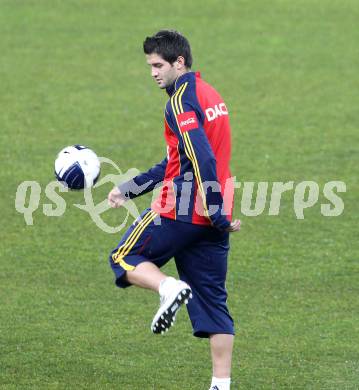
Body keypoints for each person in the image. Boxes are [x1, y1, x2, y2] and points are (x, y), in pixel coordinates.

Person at [108, 30, 240, 390]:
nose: (153, 72)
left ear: (179, 62)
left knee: (123, 257)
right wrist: (130, 188)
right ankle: (221, 385)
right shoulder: (210, 94)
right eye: (150, 65)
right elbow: (178, 158)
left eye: (158, 65)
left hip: (183, 206)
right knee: (214, 302)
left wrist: (212, 209)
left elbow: (200, 156)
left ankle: (167, 289)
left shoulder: (179, 101)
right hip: (214, 214)